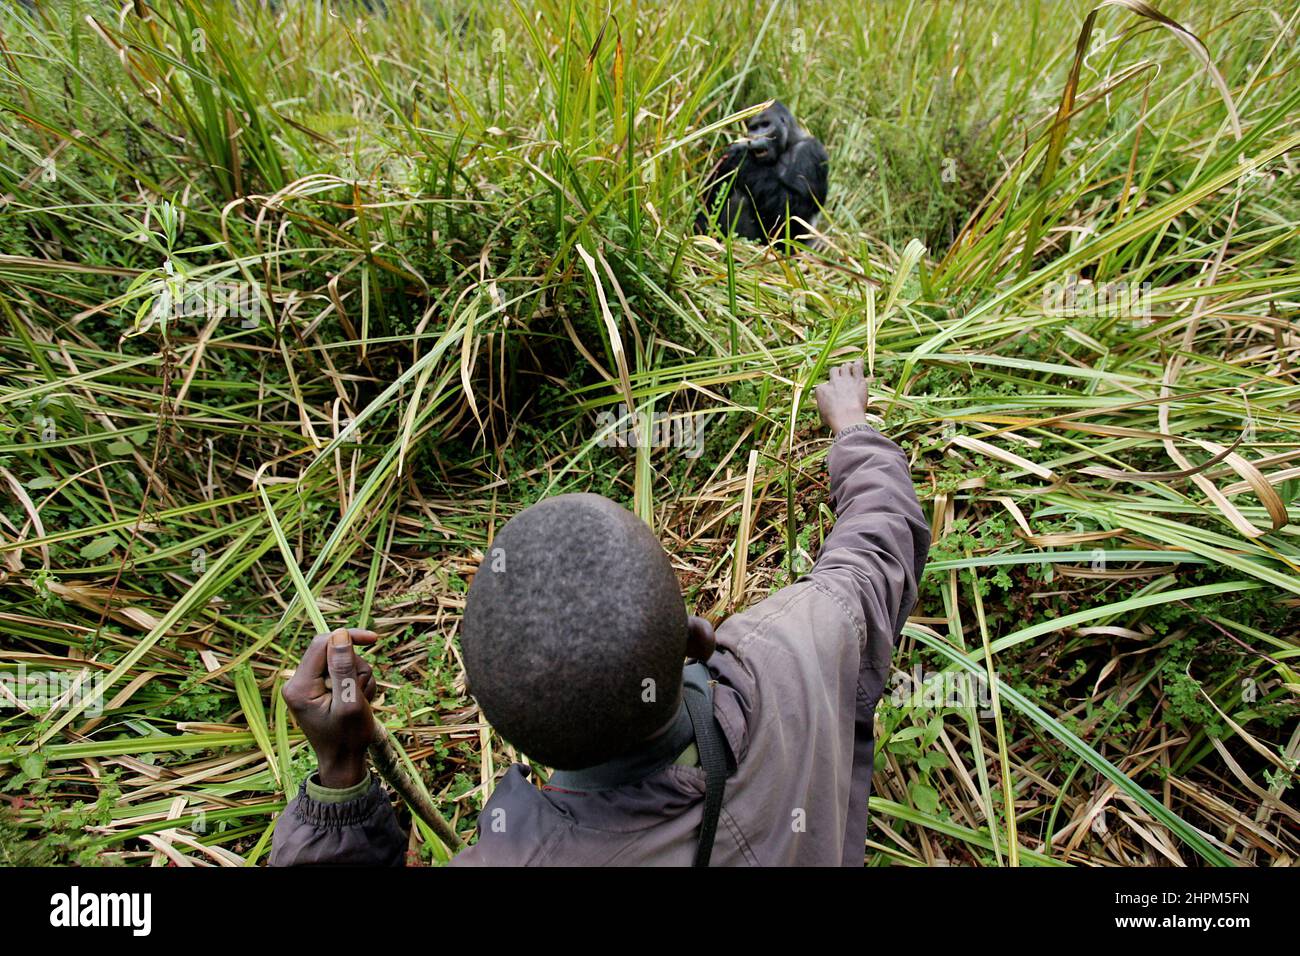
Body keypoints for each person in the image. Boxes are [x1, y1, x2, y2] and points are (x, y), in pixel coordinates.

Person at [270, 359, 930, 866]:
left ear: (495, 723)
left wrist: (340, 774)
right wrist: (852, 426)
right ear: (697, 638)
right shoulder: (794, 655)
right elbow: (876, 542)